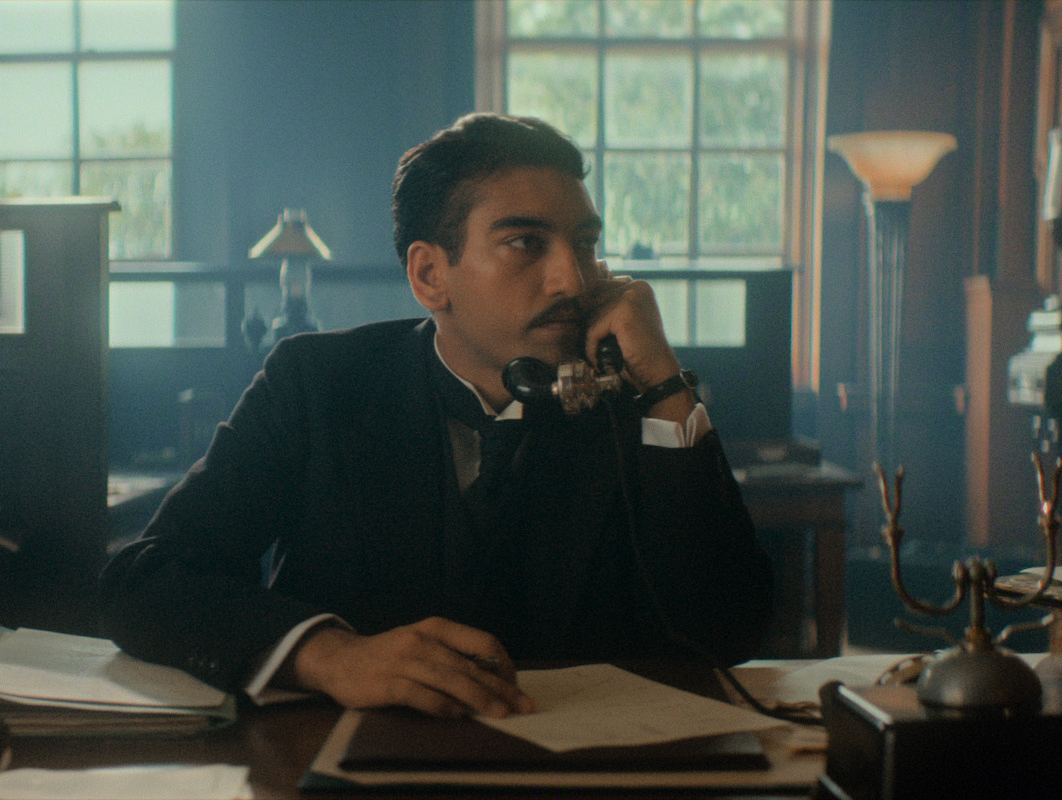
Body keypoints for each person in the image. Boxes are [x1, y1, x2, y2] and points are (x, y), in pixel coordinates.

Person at [99, 112, 772, 721]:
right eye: (526, 243)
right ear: (429, 276)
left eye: (586, 244)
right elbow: (145, 578)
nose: (573, 279)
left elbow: (732, 632)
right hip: (343, 765)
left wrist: (665, 386)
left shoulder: (637, 401)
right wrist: (330, 655)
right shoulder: (316, 384)